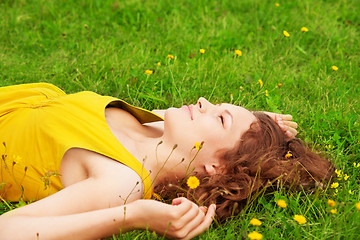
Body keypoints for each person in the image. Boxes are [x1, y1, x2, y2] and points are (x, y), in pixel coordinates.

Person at [0, 83, 333, 239]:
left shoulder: (121, 181)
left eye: (219, 118)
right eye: (217, 104)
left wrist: (133, 216)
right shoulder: (158, 128)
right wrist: (256, 124)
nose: (203, 101)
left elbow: (8, 229)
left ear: (216, 167)